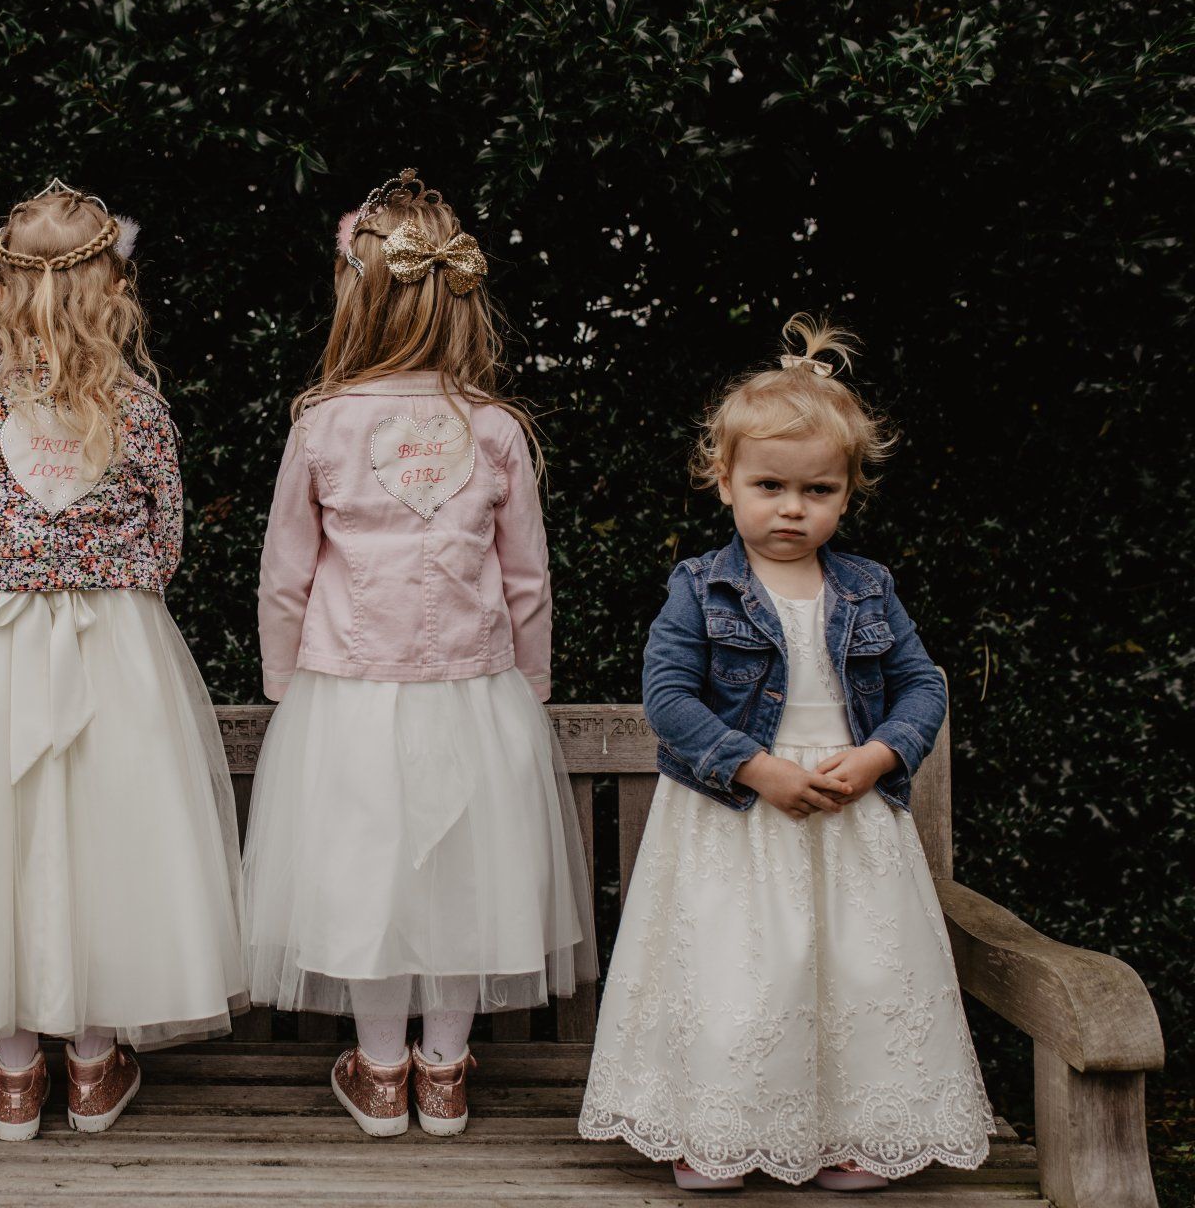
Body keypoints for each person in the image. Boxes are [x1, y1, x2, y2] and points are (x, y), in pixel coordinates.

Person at [0, 181, 246, 1142]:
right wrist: (102, 578)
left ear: (5, 287)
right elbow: (166, 539)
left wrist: (17, 571)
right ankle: (98, 1057)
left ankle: (18, 1068)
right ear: (111, 287)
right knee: (112, 836)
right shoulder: (140, 410)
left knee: (1, 837)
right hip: (117, 644)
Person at [578, 316, 993, 1190]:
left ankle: (857, 1130)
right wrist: (753, 766)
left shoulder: (868, 588)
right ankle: (720, 1134)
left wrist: (880, 755)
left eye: (819, 491)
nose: (793, 509)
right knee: (739, 972)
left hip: (849, 820)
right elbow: (669, 700)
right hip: (734, 819)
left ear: (847, 493)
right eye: (770, 485)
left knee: (857, 974)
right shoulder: (701, 587)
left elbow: (923, 685)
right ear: (724, 481)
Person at [242, 170, 596, 1139]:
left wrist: (285, 685)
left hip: (350, 693)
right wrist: (528, 689)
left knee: (366, 874)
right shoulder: (495, 430)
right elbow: (528, 582)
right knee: (459, 877)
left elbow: (287, 573)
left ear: (356, 297)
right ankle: (444, 1069)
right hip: (474, 691)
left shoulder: (321, 425)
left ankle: (384, 1064)